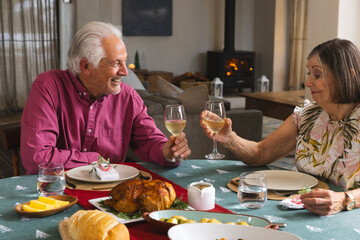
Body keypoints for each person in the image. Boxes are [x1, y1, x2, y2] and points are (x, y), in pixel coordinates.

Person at [200, 38, 360, 216]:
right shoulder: (307, 116)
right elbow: (261, 153)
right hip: (305, 211)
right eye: (308, 74)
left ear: (348, 74)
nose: (307, 82)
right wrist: (230, 139)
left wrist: (345, 200)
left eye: (317, 74)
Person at [21, 21, 191, 174]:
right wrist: (95, 160)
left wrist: (167, 152)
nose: (125, 72)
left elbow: (150, 142)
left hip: (108, 195)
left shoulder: (128, 97)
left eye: (125, 62)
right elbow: (36, 157)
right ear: (86, 66)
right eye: (116, 63)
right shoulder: (48, 86)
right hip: (55, 194)